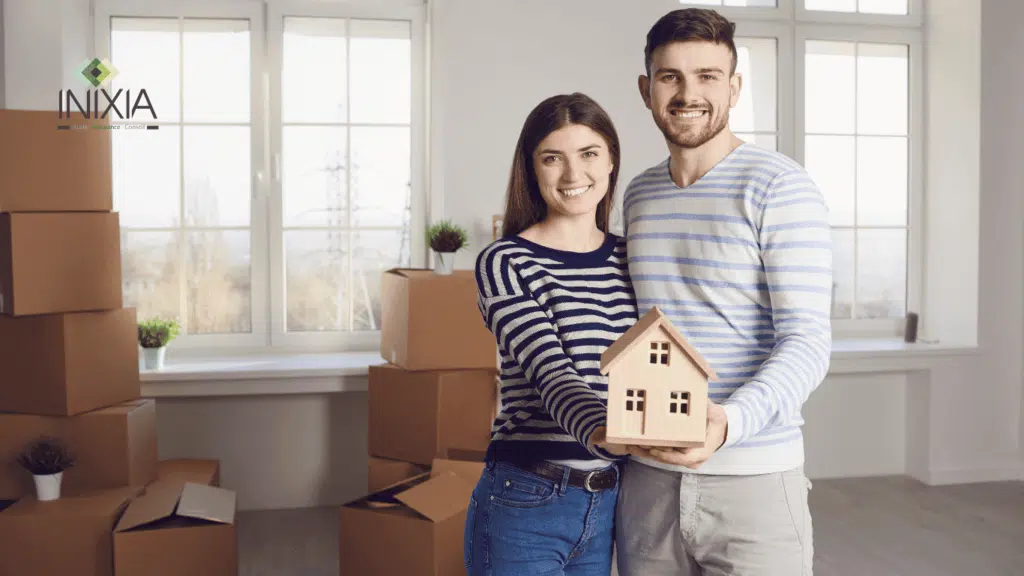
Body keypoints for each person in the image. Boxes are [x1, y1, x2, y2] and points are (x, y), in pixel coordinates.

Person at [614, 7, 832, 576]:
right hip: (647, 487)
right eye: (670, 77)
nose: (689, 93)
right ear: (646, 89)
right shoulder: (637, 196)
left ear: (734, 88)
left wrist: (730, 422)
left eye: (708, 76)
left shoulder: (779, 186)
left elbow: (808, 341)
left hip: (754, 482)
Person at [464, 92, 636, 576]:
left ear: (611, 160)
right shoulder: (505, 262)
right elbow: (551, 374)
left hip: (610, 499)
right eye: (552, 158)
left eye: (588, 154)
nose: (572, 175)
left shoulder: (633, 257)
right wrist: (609, 433)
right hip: (525, 499)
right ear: (531, 169)